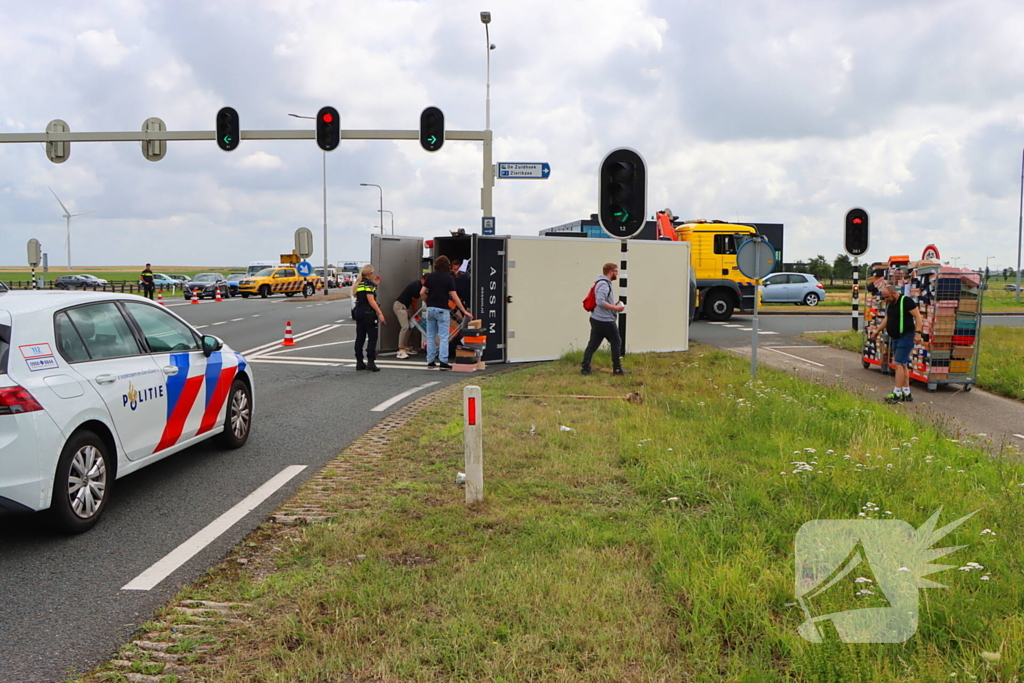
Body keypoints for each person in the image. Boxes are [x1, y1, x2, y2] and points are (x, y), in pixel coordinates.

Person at [870, 283, 924, 403]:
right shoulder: (891, 304)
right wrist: (877, 331)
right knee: (903, 364)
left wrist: (918, 333)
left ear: (894, 293)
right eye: (884, 298)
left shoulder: (906, 301)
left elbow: (918, 317)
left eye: (888, 297)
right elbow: (887, 318)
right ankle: (906, 392)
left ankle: (896, 393)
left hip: (906, 336)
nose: (886, 300)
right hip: (895, 337)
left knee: (898, 364)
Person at [421, 256, 471, 370]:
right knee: (443, 337)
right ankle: (443, 362)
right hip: (442, 309)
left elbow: (422, 292)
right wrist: (464, 311)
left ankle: (430, 361)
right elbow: (455, 297)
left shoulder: (430, 276)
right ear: (447, 266)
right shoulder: (449, 278)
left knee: (430, 336)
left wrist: (427, 301)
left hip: (430, 309)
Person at [581, 263, 626, 376]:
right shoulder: (604, 284)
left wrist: (612, 304)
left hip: (596, 318)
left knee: (593, 344)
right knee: (616, 341)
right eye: (616, 271)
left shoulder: (600, 283)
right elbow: (600, 302)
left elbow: (601, 301)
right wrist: (616, 308)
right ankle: (617, 369)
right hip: (605, 320)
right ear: (611, 272)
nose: (617, 273)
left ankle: (585, 368)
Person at [352, 265, 386, 372]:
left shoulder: (359, 284)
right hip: (368, 313)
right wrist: (380, 313)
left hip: (358, 312)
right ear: (370, 274)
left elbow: (364, 295)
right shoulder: (369, 284)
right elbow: (371, 300)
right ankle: (371, 362)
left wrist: (375, 285)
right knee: (372, 337)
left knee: (360, 337)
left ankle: (359, 362)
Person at [394, 275, 425, 359]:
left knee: (412, 325)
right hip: (400, 306)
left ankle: (406, 346)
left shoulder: (418, 285)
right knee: (405, 327)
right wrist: (416, 314)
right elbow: (414, 302)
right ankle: (400, 350)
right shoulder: (417, 286)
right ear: (422, 279)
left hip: (405, 307)